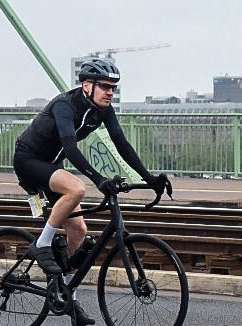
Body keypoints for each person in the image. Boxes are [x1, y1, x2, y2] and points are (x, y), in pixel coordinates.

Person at [12, 57, 166, 325]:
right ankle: (42, 243)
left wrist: (149, 178)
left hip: (52, 164)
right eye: (105, 86)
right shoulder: (65, 105)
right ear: (86, 85)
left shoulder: (103, 110)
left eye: (113, 88)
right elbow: (71, 148)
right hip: (29, 160)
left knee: (79, 232)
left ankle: (66, 298)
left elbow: (122, 145)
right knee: (77, 188)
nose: (110, 92)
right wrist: (98, 179)